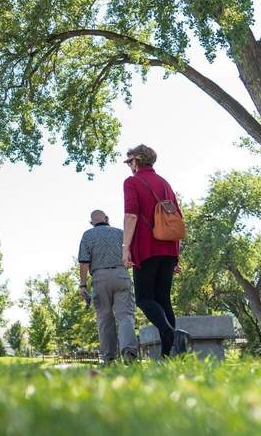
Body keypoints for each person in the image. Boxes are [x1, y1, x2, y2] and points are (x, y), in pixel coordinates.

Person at [122, 144, 190, 357]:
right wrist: (176, 255)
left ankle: (169, 333)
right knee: (163, 299)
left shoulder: (132, 182)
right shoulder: (164, 183)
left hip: (146, 246)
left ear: (136, 161)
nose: (128, 166)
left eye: (129, 161)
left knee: (144, 299)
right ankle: (170, 354)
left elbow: (131, 215)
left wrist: (126, 248)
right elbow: (176, 219)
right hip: (169, 248)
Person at [78, 209, 137, 363]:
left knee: (104, 317)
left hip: (99, 277)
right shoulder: (120, 233)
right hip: (120, 274)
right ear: (107, 218)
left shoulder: (88, 235)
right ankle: (129, 351)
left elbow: (84, 262)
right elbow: (131, 256)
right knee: (125, 315)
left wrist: (83, 285)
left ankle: (108, 357)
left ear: (91, 223)